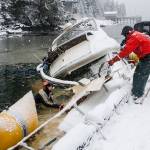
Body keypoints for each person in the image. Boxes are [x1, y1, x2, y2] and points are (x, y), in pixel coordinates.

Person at [108, 26, 150, 103]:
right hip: (145, 58)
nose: (124, 37)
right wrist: (126, 41)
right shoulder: (136, 34)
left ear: (128, 33)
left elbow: (125, 52)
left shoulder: (134, 38)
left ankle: (138, 95)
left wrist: (113, 60)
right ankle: (135, 91)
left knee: (142, 76)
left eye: (124, 35)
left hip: (147, 58)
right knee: (137, 74)